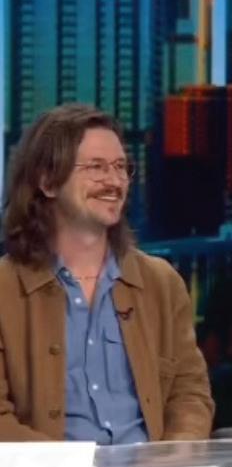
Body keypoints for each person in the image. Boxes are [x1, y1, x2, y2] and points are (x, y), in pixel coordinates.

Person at [0, 103, 215, 443]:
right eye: (96, 167)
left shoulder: (161, 283)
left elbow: (189, 392)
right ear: (47, 181)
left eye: (120, 167)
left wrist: (173, 456)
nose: (114, 181)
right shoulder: (5, 290)